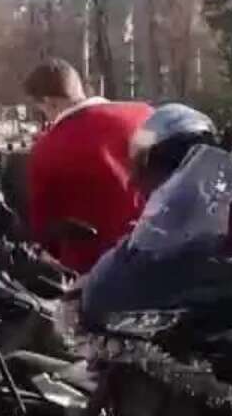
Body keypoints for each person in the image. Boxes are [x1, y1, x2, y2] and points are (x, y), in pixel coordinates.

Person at [23, 59, 153, 274]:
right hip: (159, 250)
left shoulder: (48, 149)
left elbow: (44, 225)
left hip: (94, 271)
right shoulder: (144, 115)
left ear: (48, 102)